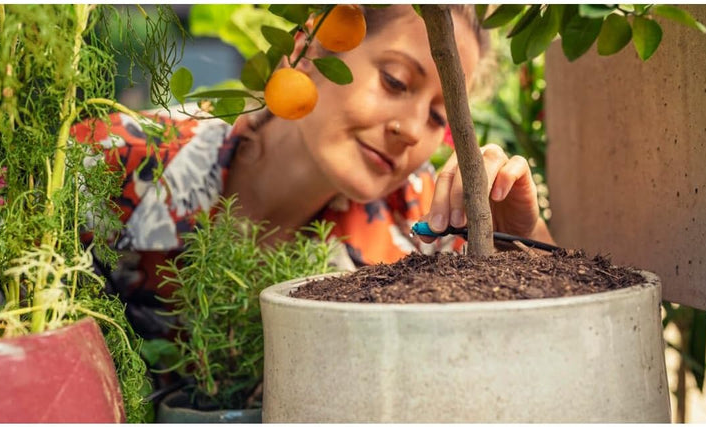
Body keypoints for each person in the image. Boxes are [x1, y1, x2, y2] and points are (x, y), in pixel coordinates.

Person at [73, 5, 554, 340]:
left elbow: (551, 327)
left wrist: (520, 232)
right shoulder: (115, 160)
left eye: (437, 118)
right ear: (308, 49)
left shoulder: (424, 226)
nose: (411, 130)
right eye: (396, 81)